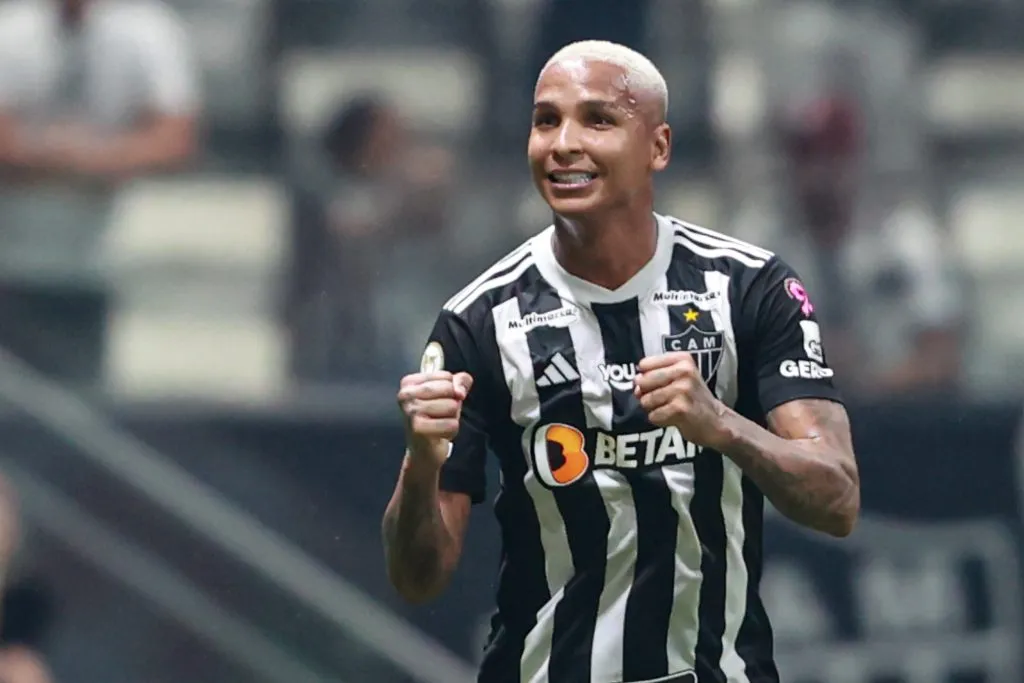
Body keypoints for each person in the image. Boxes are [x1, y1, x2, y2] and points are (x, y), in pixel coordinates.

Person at [382, 40, 860, 683]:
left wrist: (721, 425)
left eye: (597, 120)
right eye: (546, 120)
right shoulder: (479, 320)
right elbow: (418, 578)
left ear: (657, 146)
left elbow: (837, 497)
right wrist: (420, 460)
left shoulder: (750, 287)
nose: (563, 143)